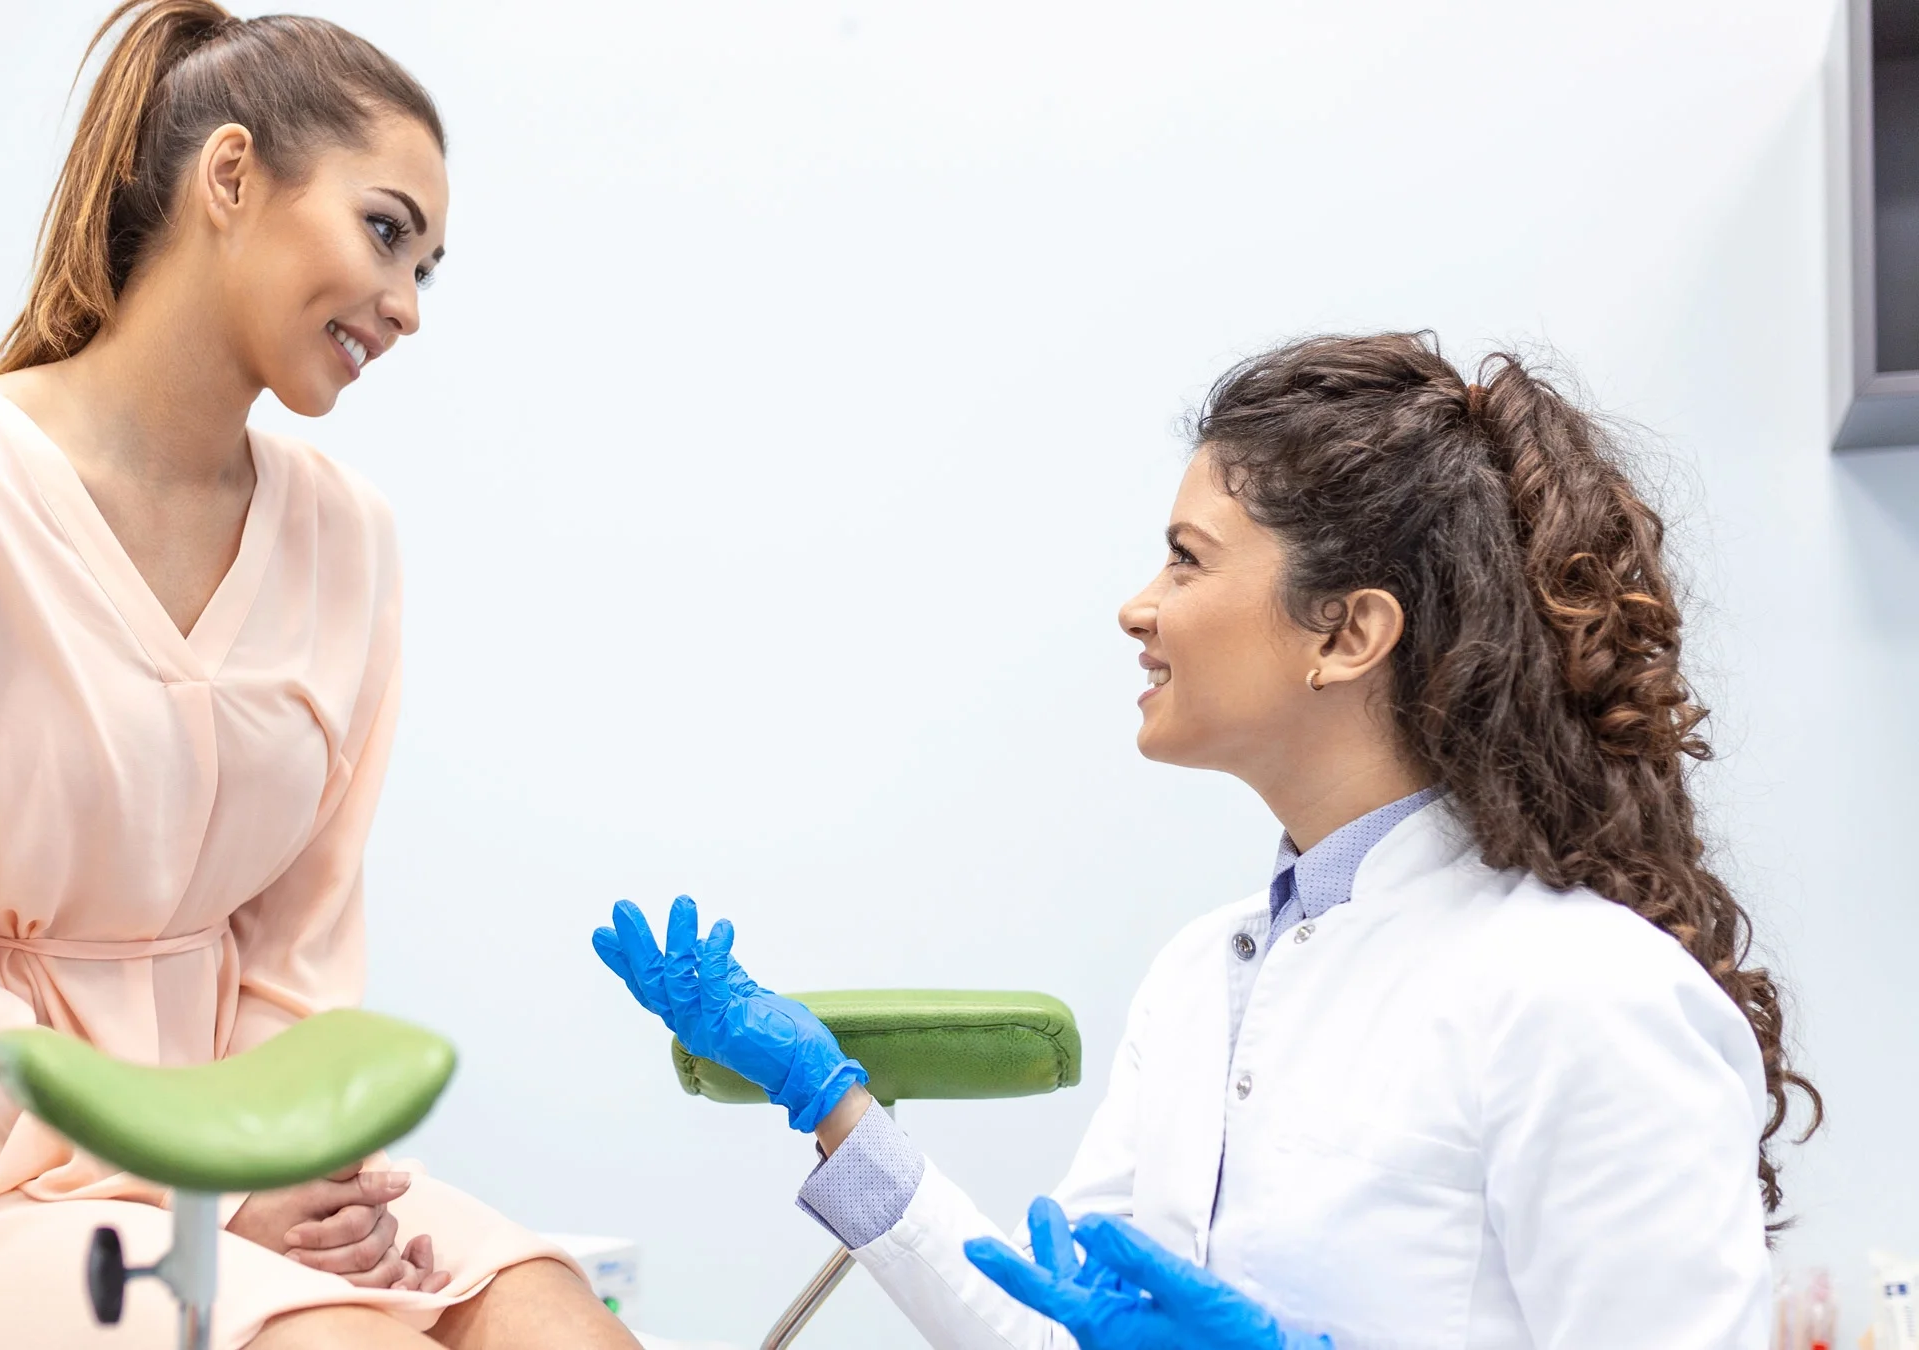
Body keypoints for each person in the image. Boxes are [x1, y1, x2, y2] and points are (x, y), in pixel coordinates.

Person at [594, 332, 1821, 1348]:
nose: (1139, 607)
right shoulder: (1203, 980)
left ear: (1348, 634)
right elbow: (1056, 1331)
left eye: (1186, 562)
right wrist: (831, 1102)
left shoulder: (1583, 995)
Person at [0, 3, 637, 1347]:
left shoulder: (347, 537)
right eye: (385, 231)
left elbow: (300, 953)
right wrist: (206, 1186)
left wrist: (282, 1159)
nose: (404, 305)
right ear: (230, 177)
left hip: (247, 1153)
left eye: (427, 269)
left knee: (558, 1316)